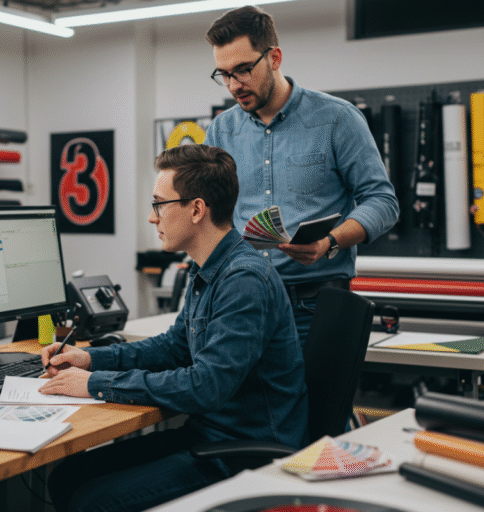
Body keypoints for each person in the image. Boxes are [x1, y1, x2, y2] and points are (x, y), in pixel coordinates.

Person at [40, 144, 308, 512]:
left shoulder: (243, 279)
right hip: (208, 435)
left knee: (92, 503)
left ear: (196, 209)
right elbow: (172, 348)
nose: (153, 218)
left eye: (159, 205)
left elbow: (206, 386)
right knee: (66, 476)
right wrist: (89, 359)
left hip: (242, 451)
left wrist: (94, 384)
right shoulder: (206, 270)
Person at [204, 6, 399, 343]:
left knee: (317, 398)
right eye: (224, 74)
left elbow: (382, 202)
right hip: (242, 301)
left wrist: (329, 242)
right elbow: (210, 212)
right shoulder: (221, 131)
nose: (234, 85)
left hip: (315, 305)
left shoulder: (337, 119)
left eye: (244, 70)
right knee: (245, 399)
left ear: (274, 58)